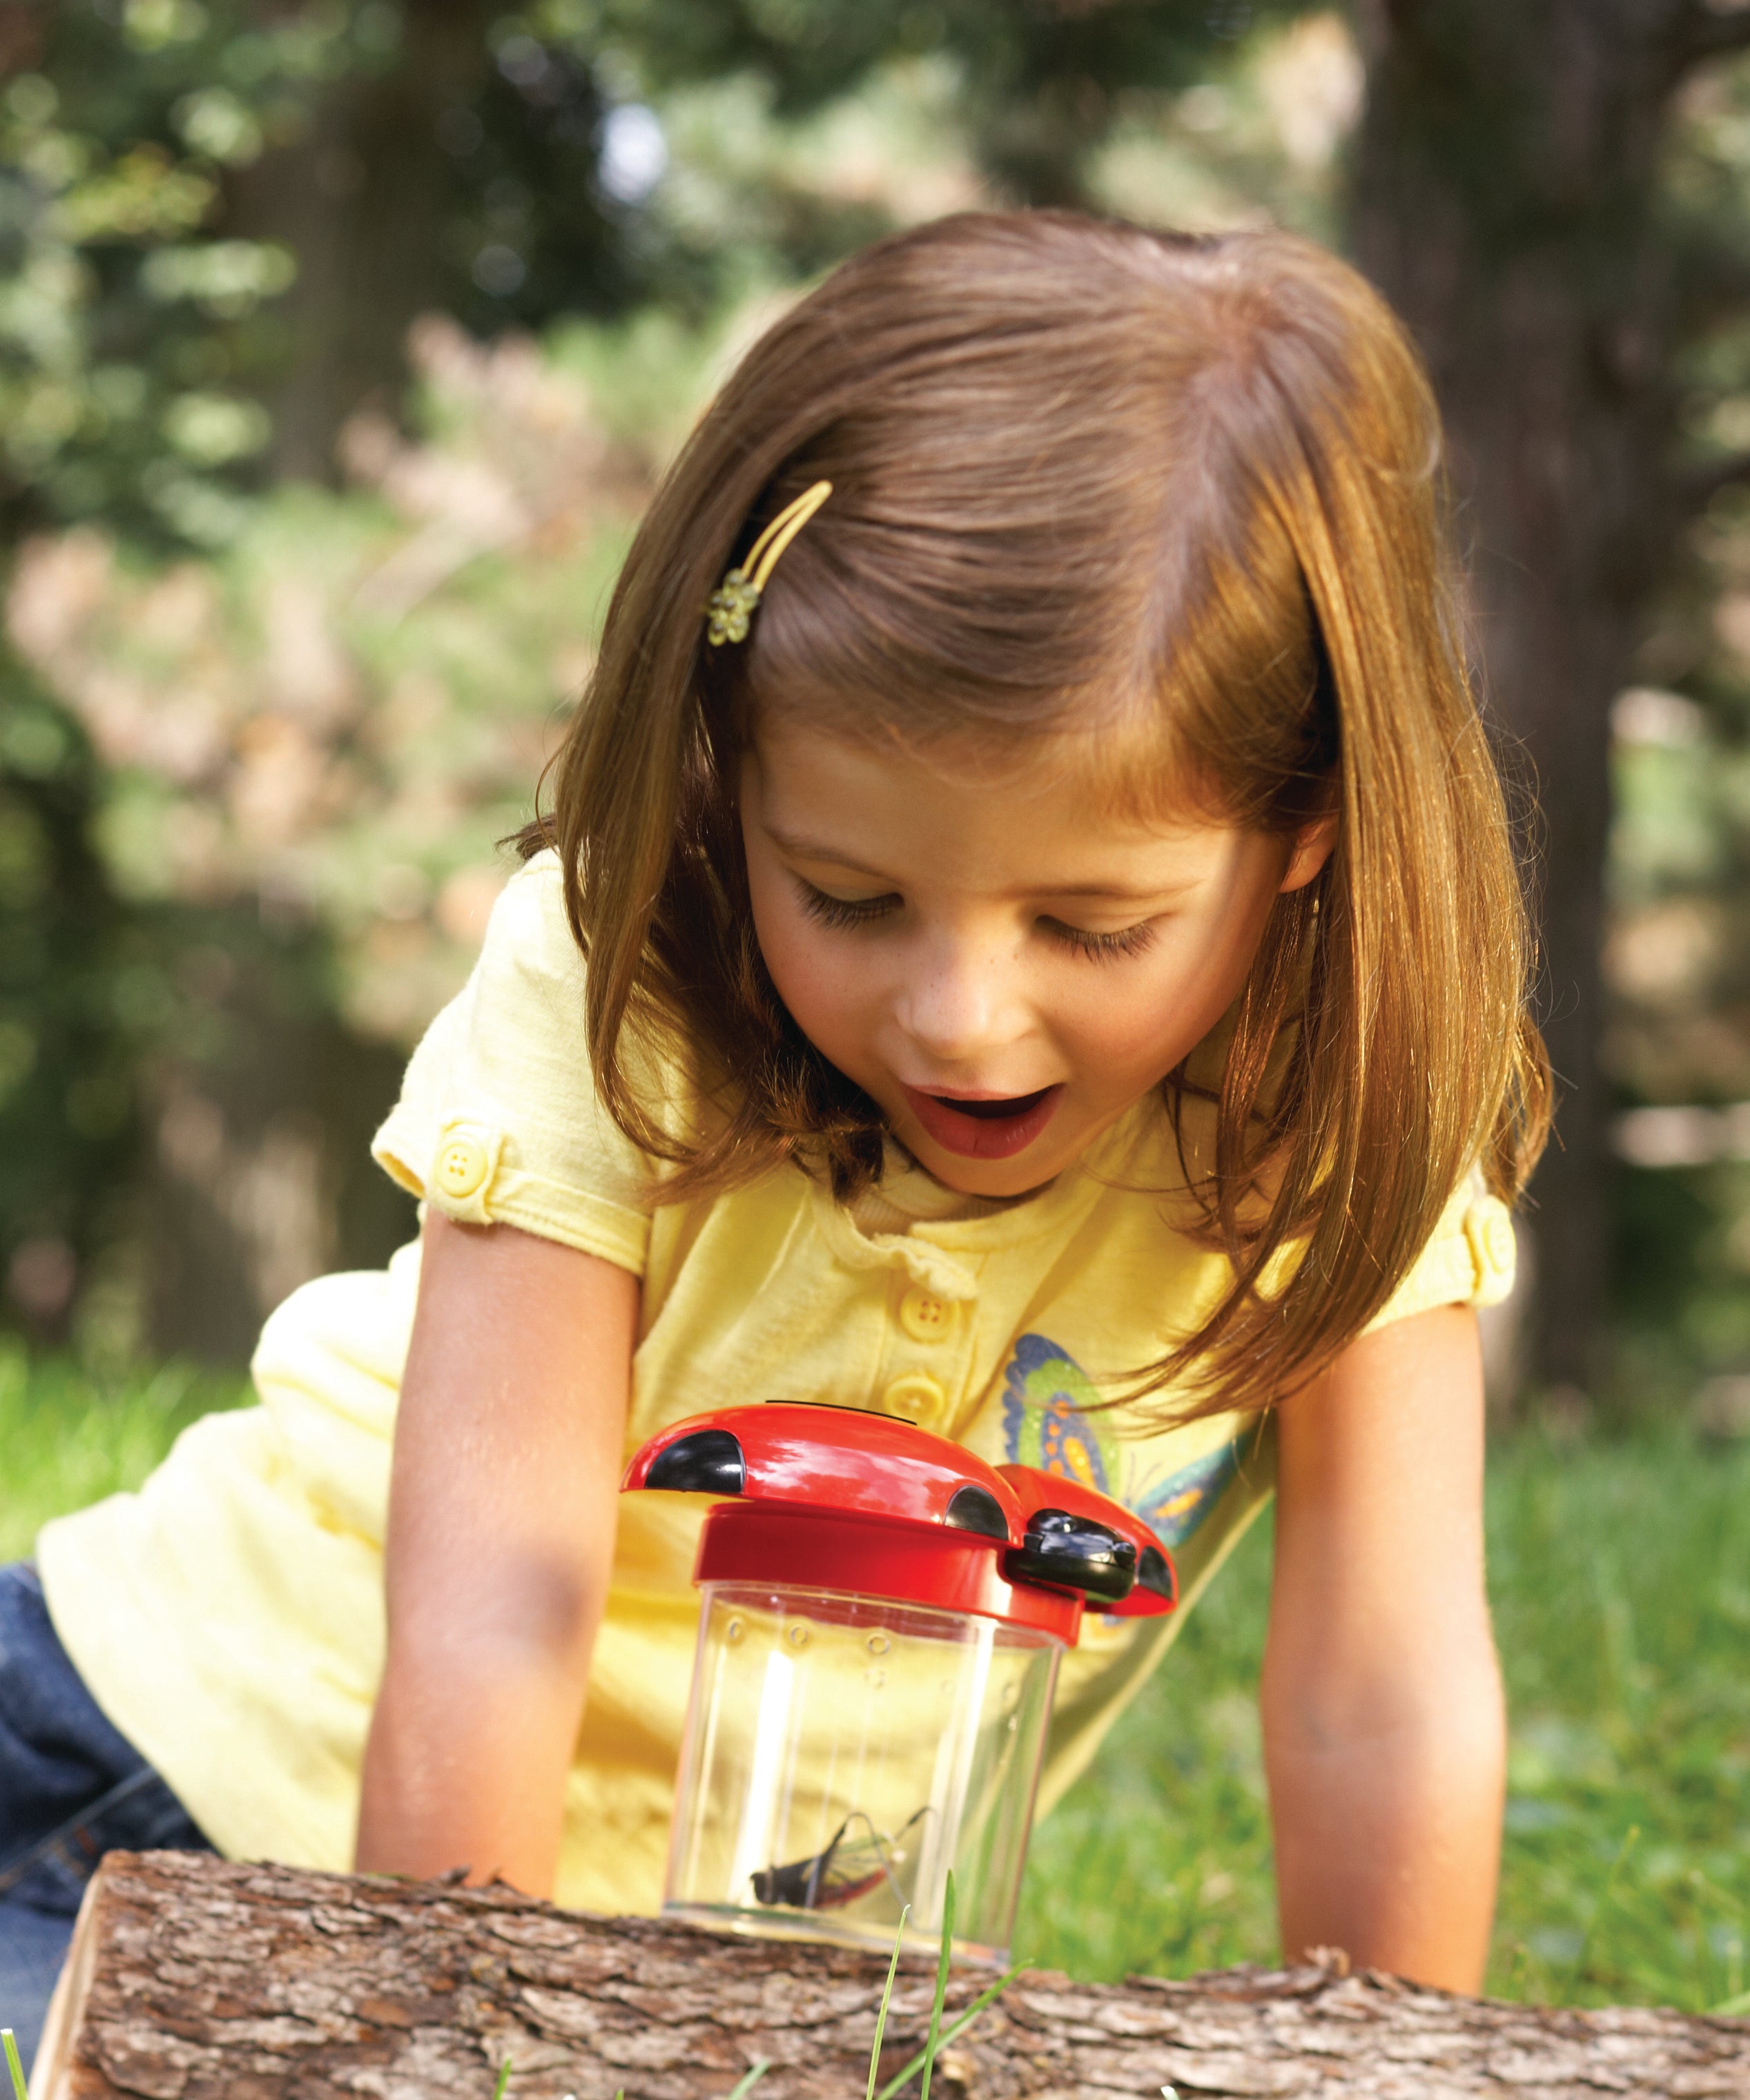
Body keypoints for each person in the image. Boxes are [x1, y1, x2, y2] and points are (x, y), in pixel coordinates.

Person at [3, 211, 1548, 2065]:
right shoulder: (630, 977)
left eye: (1091, 924)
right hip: (143, 1786)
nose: (964, 1011)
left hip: (678, 1986)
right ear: (737, 778)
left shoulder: (1339, 1112)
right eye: (852, 892)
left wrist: (1405, 2066)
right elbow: (502, 1599)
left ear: (1303, 824)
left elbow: (1380, 1691)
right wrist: (445, 2050)